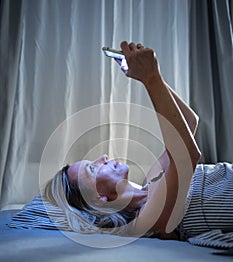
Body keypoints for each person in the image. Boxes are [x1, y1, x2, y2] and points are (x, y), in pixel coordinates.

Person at [44, 41, 233, 240]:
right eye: (92, 168)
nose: (103, 157)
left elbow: (190, 121)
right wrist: (151, 78)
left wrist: (146, 77)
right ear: (98, 199)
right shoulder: (144, 222)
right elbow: (186, 157)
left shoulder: (150, 181)